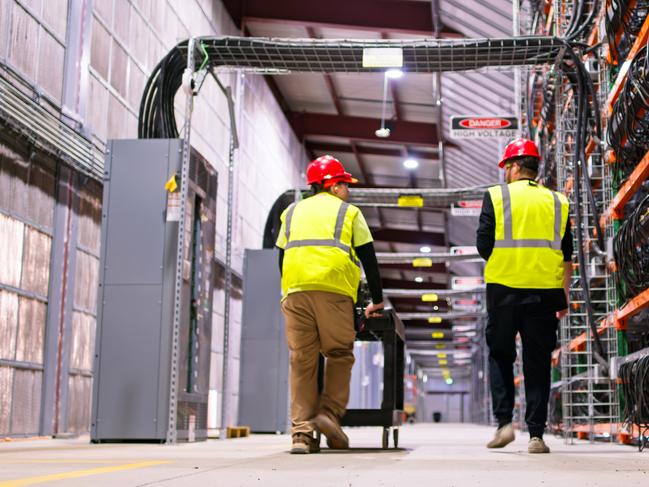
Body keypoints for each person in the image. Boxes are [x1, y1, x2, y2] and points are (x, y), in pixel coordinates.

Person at [275, 155, 384, 454]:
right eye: (345, 184)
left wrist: (289, 292)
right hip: (333, 290)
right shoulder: (349, 213)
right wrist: (376, 301)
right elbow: (369, 261)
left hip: (295, 291)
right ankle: (329, 414)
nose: (348, 190)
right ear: (333, 186)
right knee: (339, 353)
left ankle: (301, 434)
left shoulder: (292, 211)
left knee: (302, 360)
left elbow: (282, 258)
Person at [476, 138, 573, 454]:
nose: (504, 173)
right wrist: (564, 296)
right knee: (538, 363)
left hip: (504, 289)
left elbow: (483, 246)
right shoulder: (558, 201)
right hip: (544, 293)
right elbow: (566, 255)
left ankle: (504, 423)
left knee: (501, 355)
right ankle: (536, 435)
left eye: (506, 167)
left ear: (514, 166)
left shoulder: (496, 196)